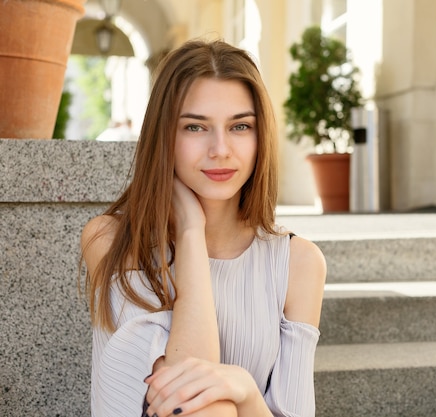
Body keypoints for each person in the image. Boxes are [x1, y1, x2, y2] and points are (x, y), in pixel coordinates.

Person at [80, 39, 327, 417]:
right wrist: (191, 232)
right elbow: (183, 389)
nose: (220, 149)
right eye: (195, 127)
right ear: (164, 137)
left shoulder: (298, 263)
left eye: (240, 126)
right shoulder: (112, 240)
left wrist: (244, 391)